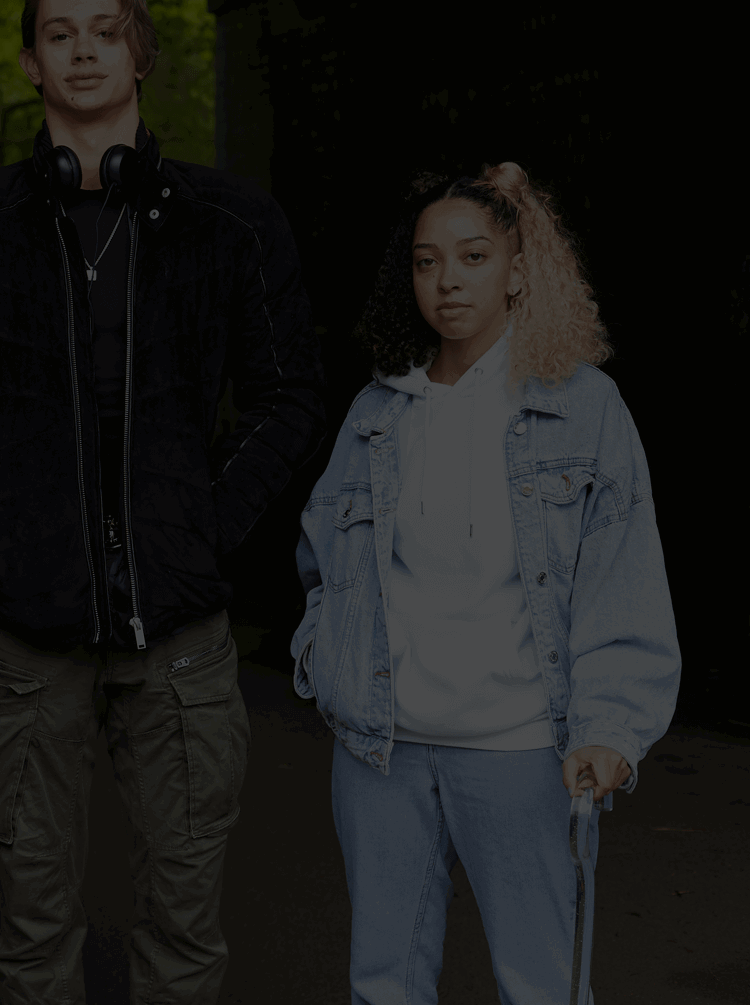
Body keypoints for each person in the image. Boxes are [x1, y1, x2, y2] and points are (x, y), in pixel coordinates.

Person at [0, 0, 328, 1005]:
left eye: (105, 29)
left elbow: (287, 397)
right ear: (31, 62)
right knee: (34, 927)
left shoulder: (232, 224)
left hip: (178, 632)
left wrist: (205, 530)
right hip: (23, 634)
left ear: (139, 53)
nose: (83, 49)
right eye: (60, 33)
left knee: (184, 921)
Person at [291, 163, 679, 1004]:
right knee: (383, 986)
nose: (448, 281)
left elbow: (624, 574)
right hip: (380, 754)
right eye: (427, 262)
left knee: (538, 986)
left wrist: (611, 725)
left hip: (521, 752)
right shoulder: (377, 411)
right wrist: (327, 657)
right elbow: (323, 563)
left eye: (472, 256)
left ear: (518, 271)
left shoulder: (584, 408)